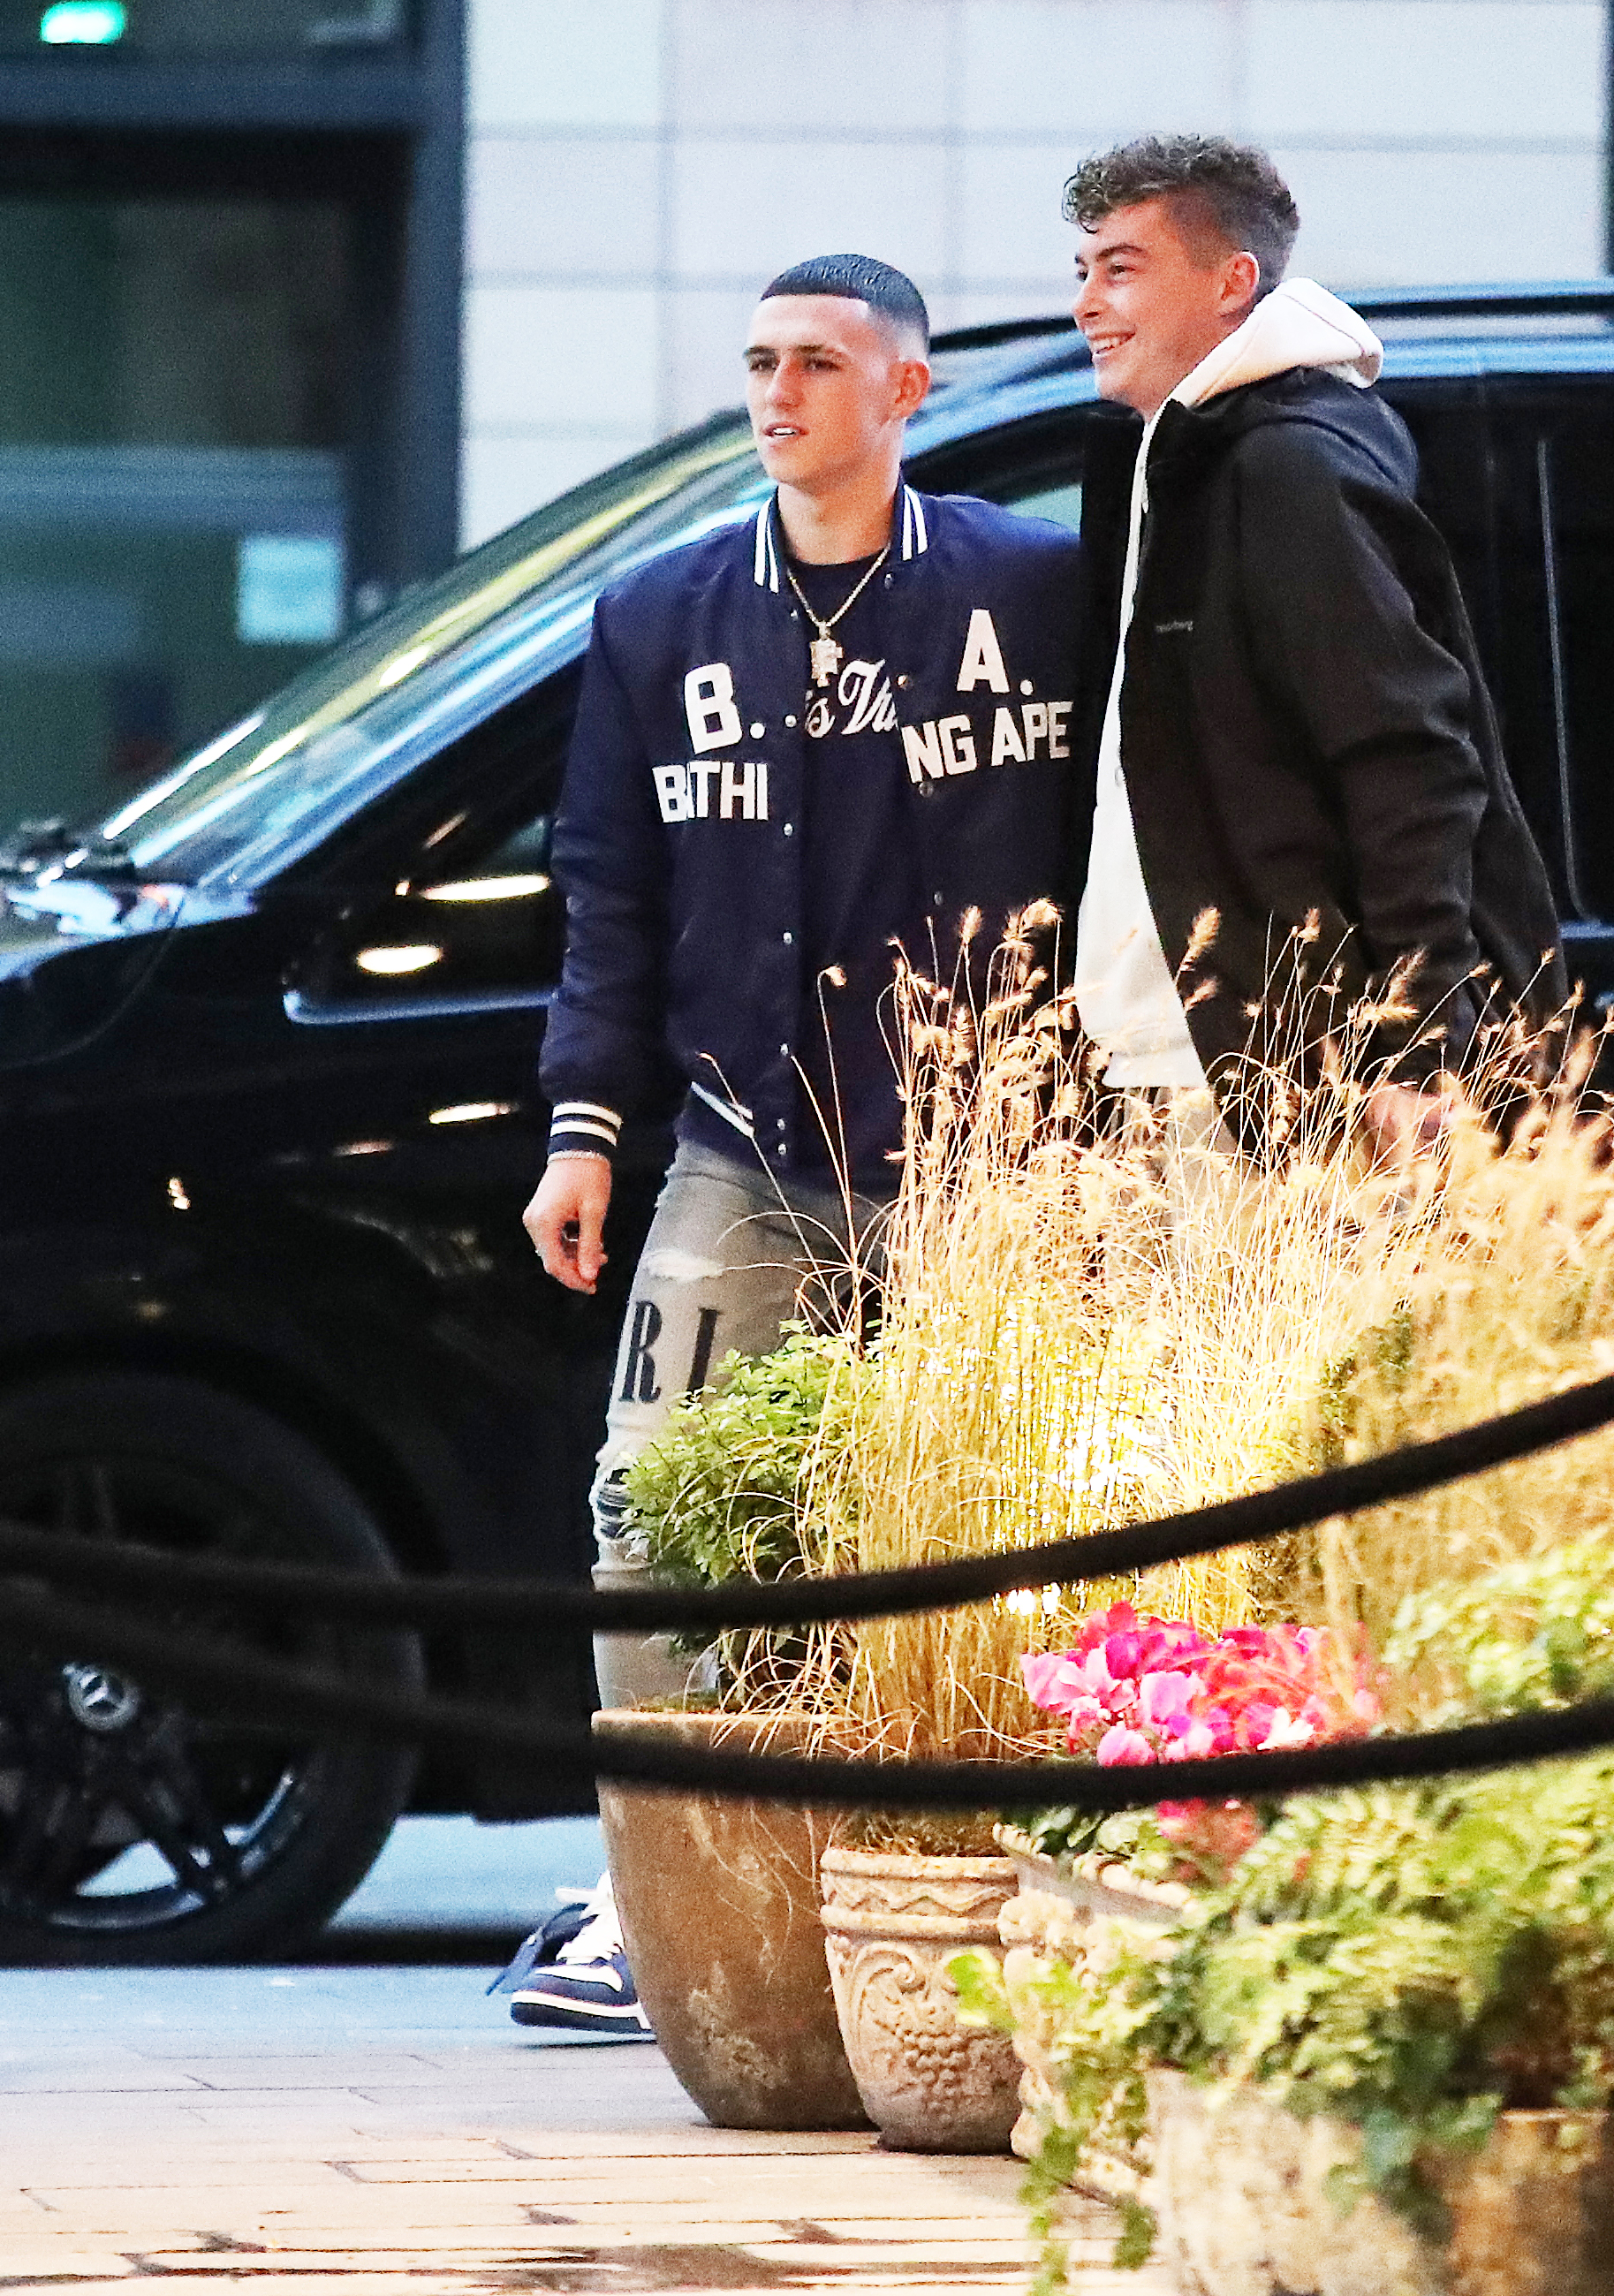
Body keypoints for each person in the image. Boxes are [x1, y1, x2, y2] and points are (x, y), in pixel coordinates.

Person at [503, 256, 1083, 2032]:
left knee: (1004, 1519)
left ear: (902, 395)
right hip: (744, 1136)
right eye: (758, 362)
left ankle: (1005, 1876)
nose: (777, 393)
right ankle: (655, 1900)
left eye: (816, 364)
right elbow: (609, 889)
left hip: (989, 1160)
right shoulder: (661, 616)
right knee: (657, 1504)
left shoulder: (1039, 590)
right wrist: (581, 1128)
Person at [1057, 133, 1565, 1126]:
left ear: (1230, 282)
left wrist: (1417, 1049)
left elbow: (1411, 756)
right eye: (1083, 270)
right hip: (1165, 1058)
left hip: (1274, 1072)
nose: (1086, 302)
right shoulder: (1174, 457)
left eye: (1122, 268)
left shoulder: (1284, 468)